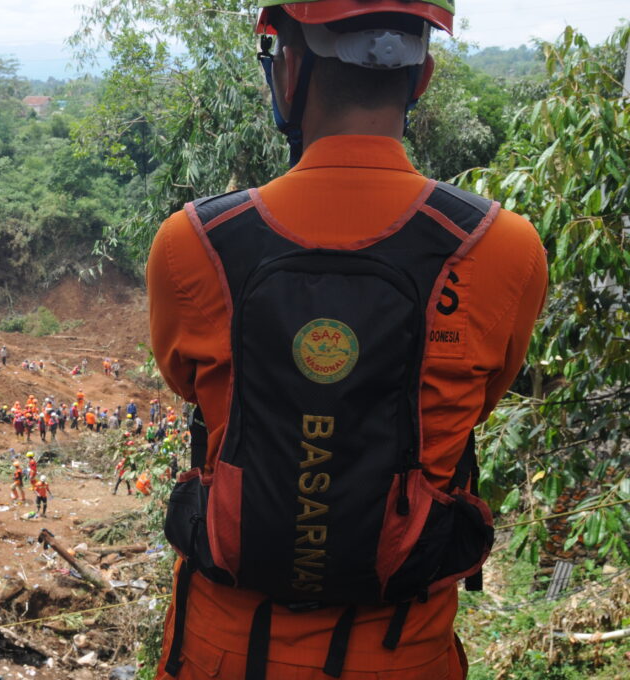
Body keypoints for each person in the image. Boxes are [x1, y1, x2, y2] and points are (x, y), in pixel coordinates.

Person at [146, 2, 548, 679]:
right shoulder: (500, 248)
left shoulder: (195, 246)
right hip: (404, 656)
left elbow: (192, 387)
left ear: (291, 66)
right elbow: (480, 400)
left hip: (223, 654)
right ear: (421, 74)